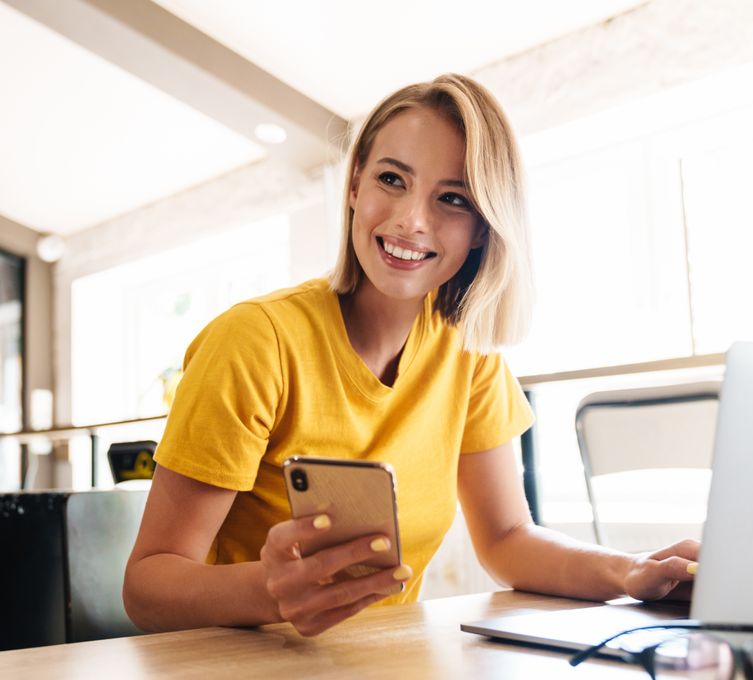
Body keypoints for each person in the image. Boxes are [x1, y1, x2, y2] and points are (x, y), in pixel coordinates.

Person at [123, 74, 699, 638]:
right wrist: (267, 590)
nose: (411, 221)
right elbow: (147, 587)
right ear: (354, 186)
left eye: (452, 198)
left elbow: (506, 538)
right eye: (392, 179)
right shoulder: (255, 341)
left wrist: (630, 570)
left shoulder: (468, 350)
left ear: (481, 229)